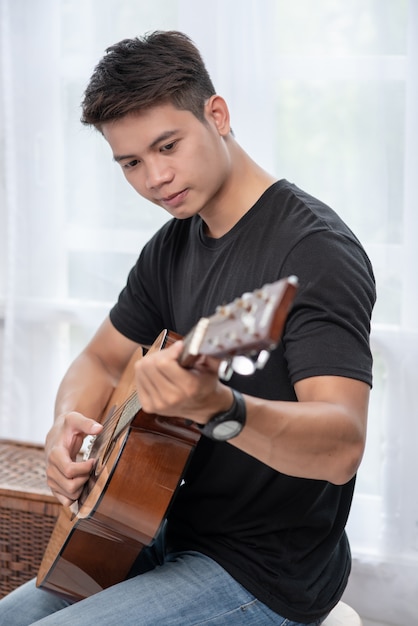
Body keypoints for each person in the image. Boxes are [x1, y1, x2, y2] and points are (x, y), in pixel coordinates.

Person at [0, 30, 375, 625]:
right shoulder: (171, 246)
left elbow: (342, 446)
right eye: (131, 162)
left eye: (167, 145)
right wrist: (63, 427)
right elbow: (99, 362)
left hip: (269, 570)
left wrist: (223, 409)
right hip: (155, 529)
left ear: (217, 115)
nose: (154, 178)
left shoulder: (314, 252)